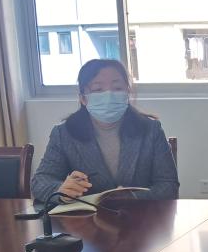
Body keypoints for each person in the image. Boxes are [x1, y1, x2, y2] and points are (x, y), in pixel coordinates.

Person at [31, 59, 179, 202]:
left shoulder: (151, 130)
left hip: (140, 216)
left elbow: (168, 185)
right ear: (83, 98)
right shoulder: (63, 134)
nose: (109, 95)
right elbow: (40, 181)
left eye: (117, 88)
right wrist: (61, 190)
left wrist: (132, 198)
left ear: (127, 93)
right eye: (98, 89)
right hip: (84, 217)